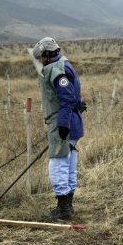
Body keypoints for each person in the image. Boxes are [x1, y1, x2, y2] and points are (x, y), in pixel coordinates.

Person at [31, 37, 84, 220]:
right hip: (71, 121)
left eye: (40, 57)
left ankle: (63, 209)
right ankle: (67, 206)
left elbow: (67, 98)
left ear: (46, 55)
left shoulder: (56, 70)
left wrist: (62, 124)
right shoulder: (64, 64)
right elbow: (73, 96)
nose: (40, 61)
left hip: (64, 123)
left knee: (58, 164)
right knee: (69, 164)